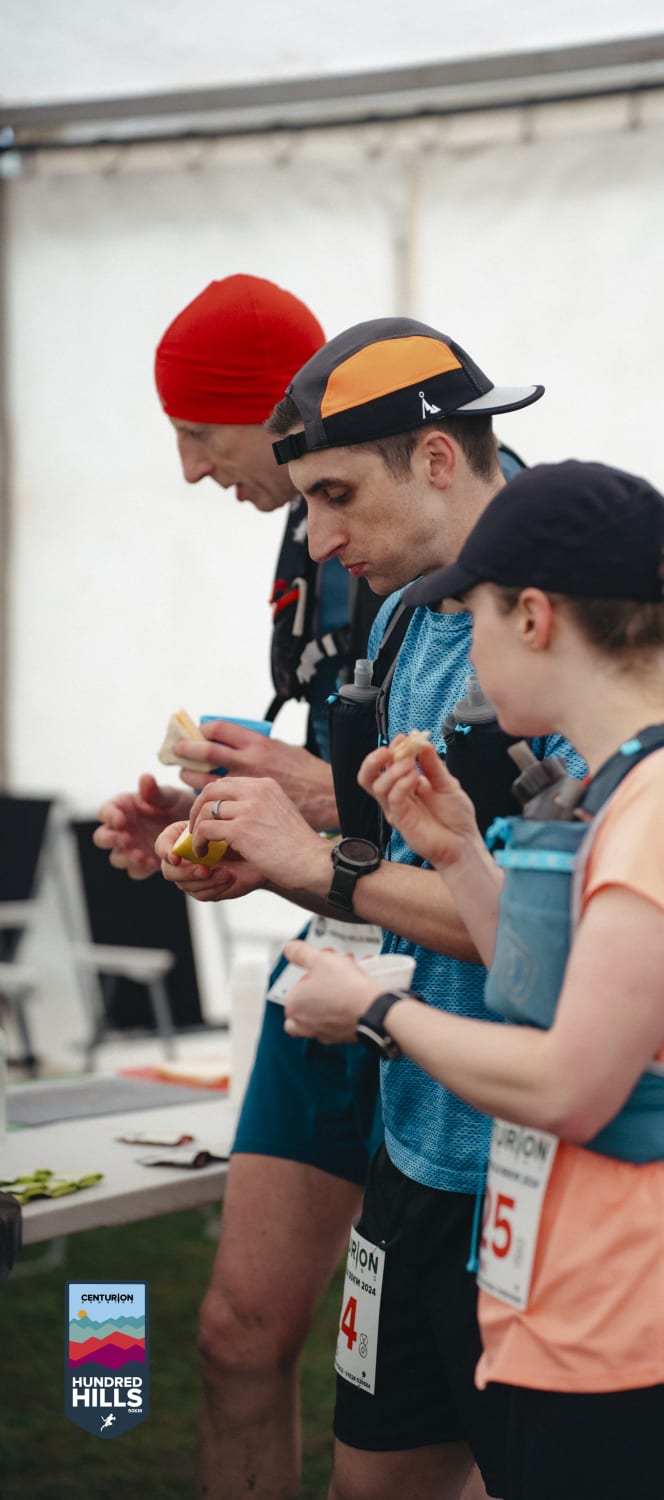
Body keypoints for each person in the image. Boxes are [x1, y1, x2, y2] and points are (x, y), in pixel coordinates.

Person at [278, 460, 664, 1500]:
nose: (462, 654)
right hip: (603, 1318)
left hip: (655, 1338)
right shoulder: (650, 777)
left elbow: (572, 1081)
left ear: (531, 617)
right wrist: (460, 855)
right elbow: (558, 992)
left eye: (471, 618)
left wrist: (376, 1009)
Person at [153, 318, 583, 1500]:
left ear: (438, 458)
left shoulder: (558, 626)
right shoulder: (400, 620)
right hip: (416, 1140)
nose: (320, 540)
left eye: (336, 496)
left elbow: (539, 943)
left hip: (534, 1167)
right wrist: (252, 848)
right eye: (307, 502)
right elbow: (393, 857)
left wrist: (314, 868)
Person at [93, 275, 381, 1500]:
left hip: (443, 1007)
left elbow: (496, 825)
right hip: (323, 972)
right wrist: (217, 831)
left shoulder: (474, 540)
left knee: (419, 1412)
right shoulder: (309, 539)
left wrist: (308, 794)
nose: (188, 471)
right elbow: (347, 805)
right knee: (236, 1336)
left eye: (198, 434)